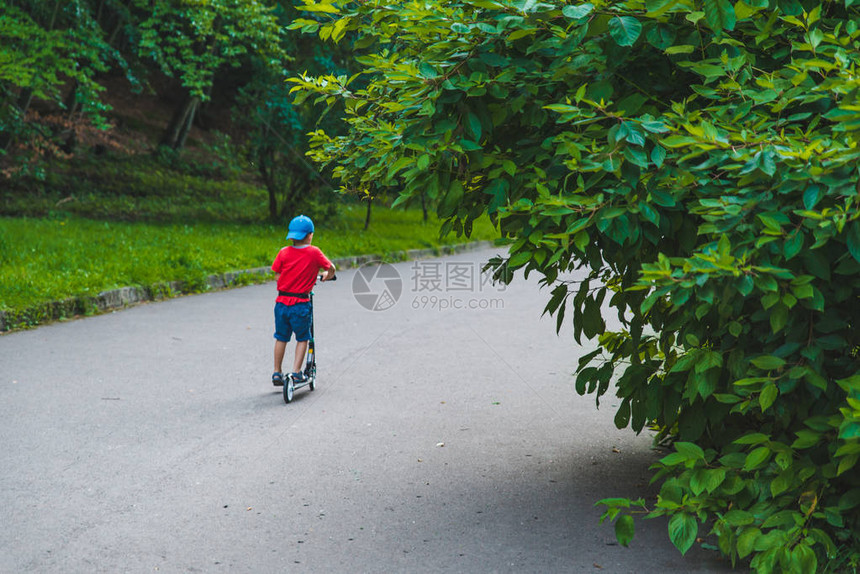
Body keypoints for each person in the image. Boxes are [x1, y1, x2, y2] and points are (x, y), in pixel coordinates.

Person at [271, 215, 335, 387]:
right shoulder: (314, 252)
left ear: (291, 235)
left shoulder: (283, 252)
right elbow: (331, 268)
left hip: (281, 303)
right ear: (310, 235)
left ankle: (277, 372)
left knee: (281, 337)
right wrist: (326, 276)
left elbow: (277, 274)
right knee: (302, 338)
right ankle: (296, 372)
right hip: (300, 304)